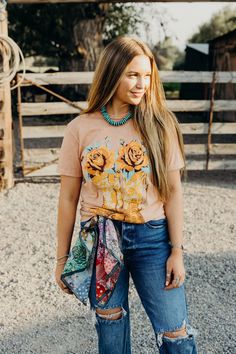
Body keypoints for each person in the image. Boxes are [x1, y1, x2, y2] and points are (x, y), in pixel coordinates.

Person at [55, 36, 199, 354]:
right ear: (112, 73)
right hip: (99, 239)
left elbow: (173, 193)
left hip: (151, 238)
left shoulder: (161, 125)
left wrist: (177, 251)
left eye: (147, 76)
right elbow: (67, 199)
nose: (141, 84)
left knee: (175, 332)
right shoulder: (79, 129)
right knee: (111, 323)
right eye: (133, 75)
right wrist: (63, 258)